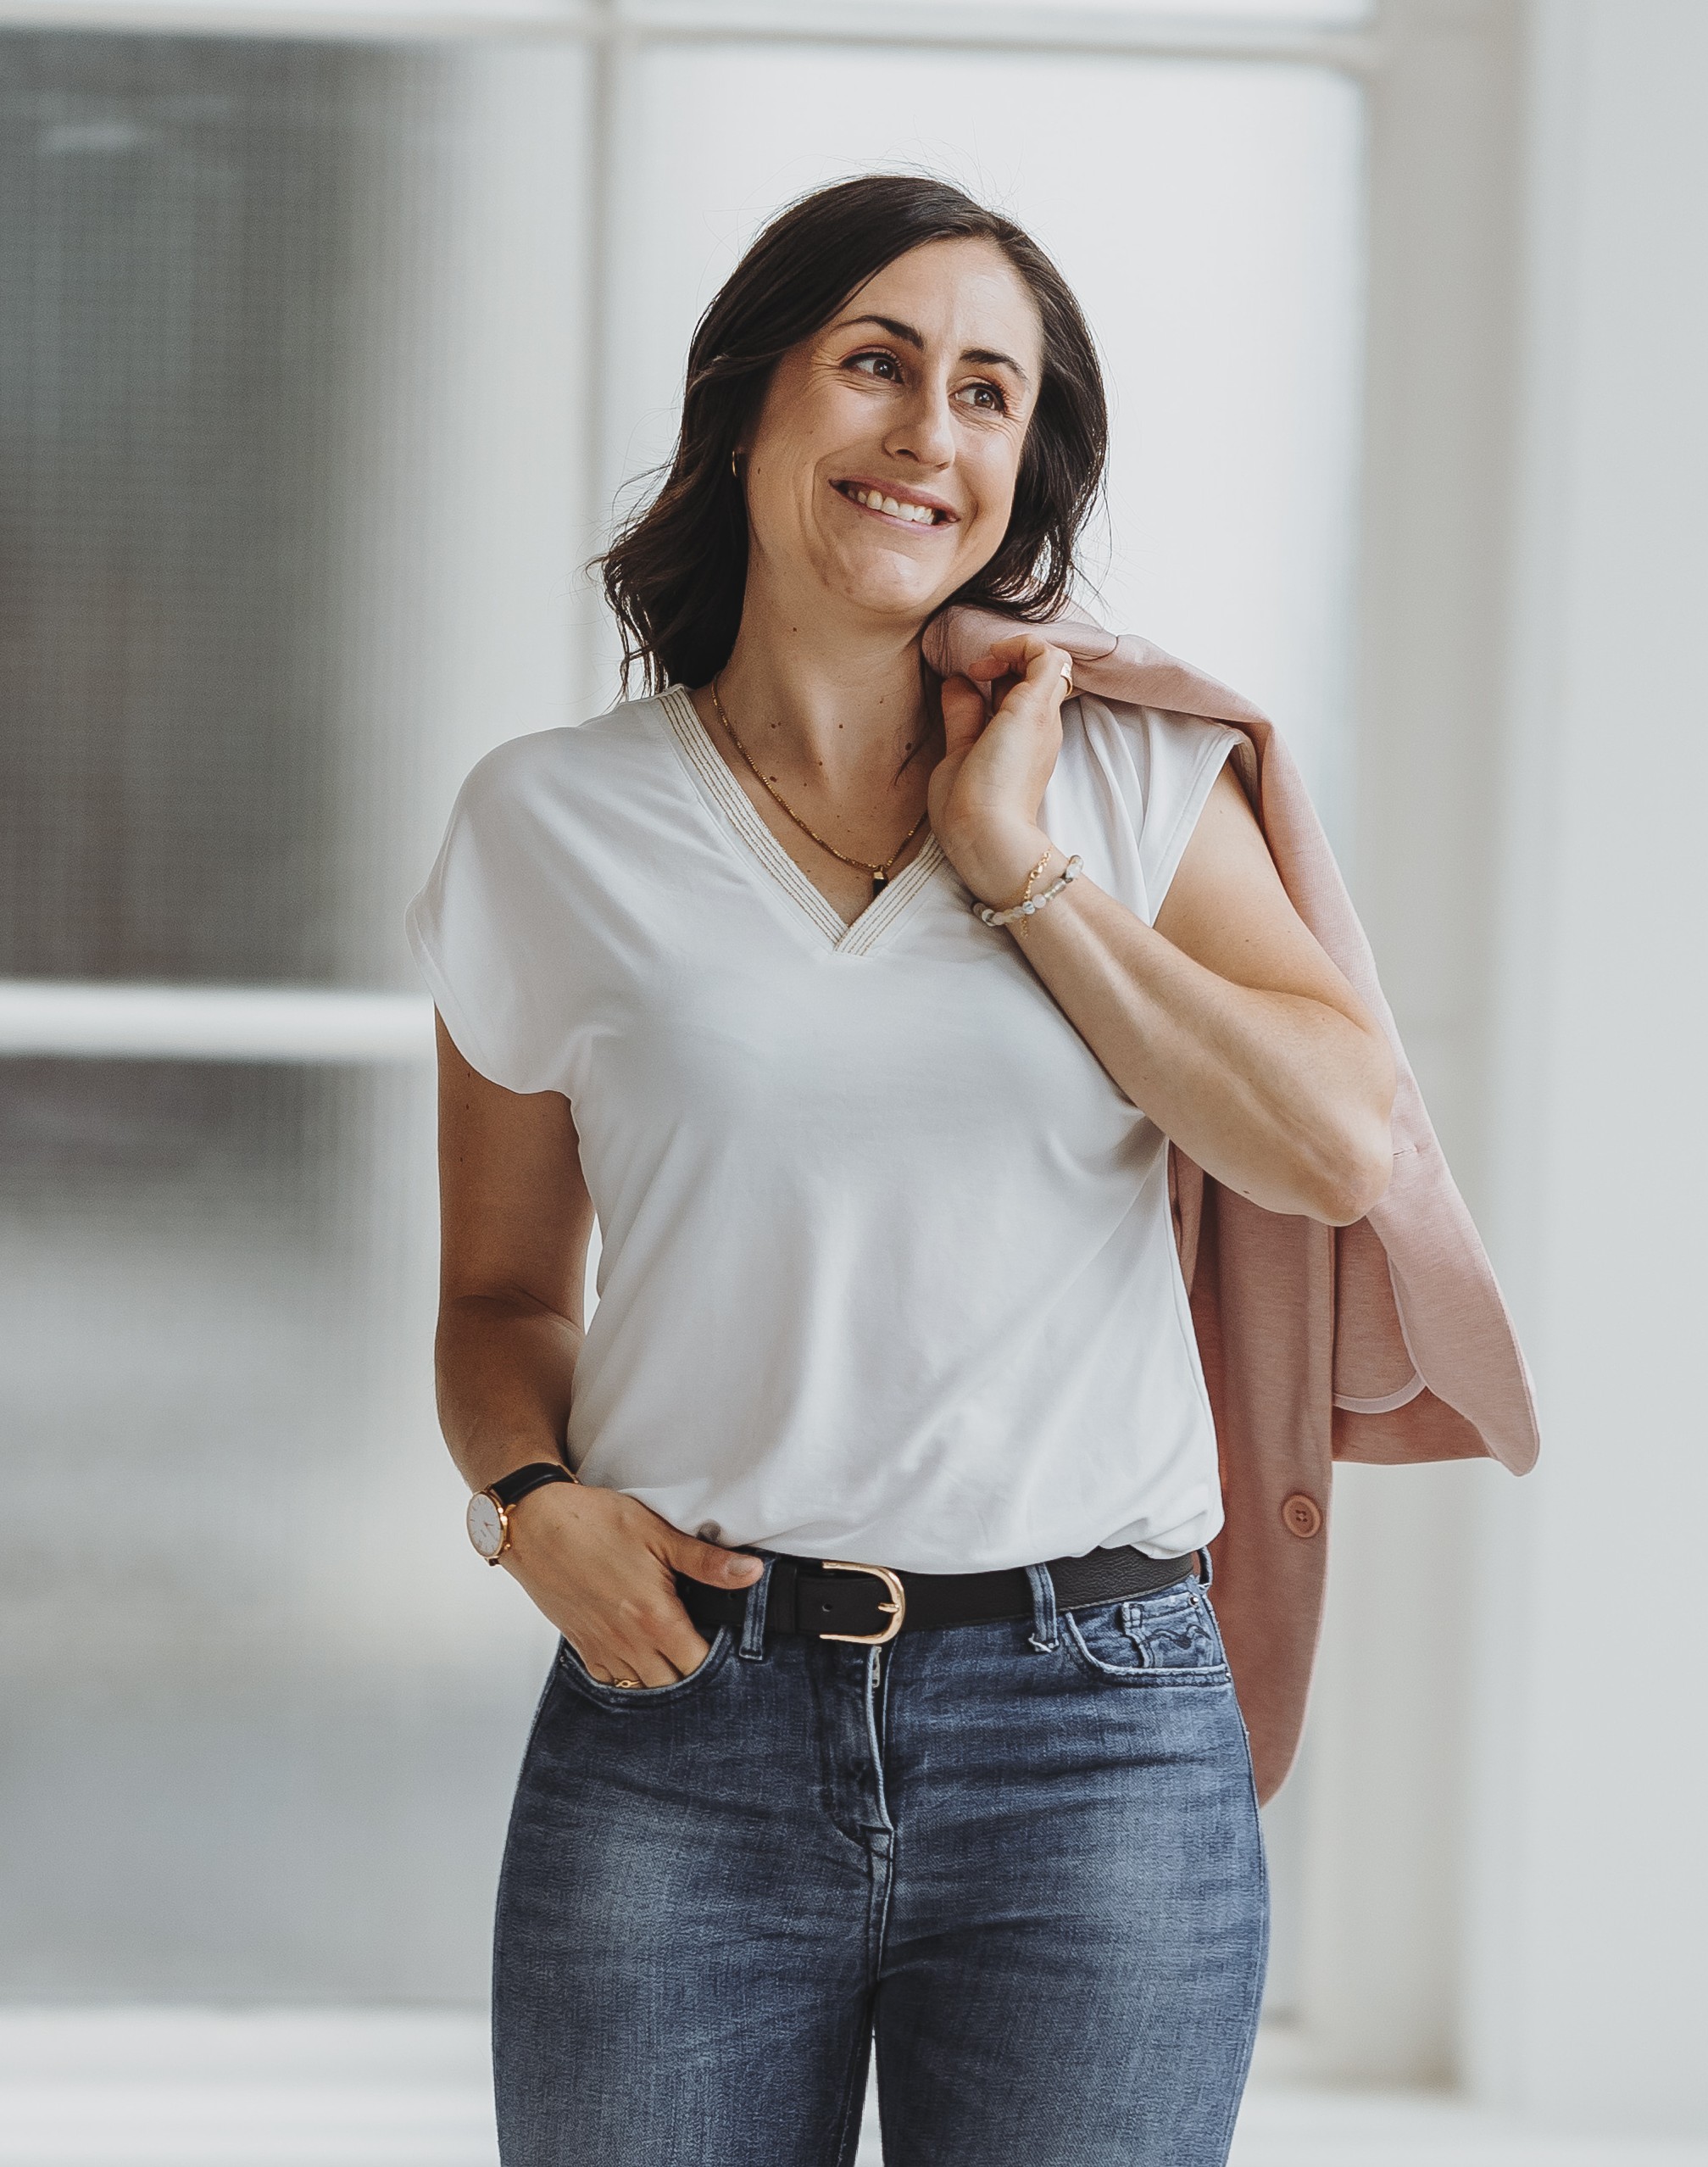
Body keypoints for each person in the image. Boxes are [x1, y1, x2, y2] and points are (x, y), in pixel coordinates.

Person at [407, 174, 1398, 2167]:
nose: (926, 433)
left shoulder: (1120, 777)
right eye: (877, 363)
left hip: (1094, 1731)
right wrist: (526, 1500)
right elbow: (504, 1297)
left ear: (1020, 473)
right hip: (686, 1714)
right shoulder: (547, 824)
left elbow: (1332, 1138)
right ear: (750, 401)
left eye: (986, 395)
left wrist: (1023, 868)